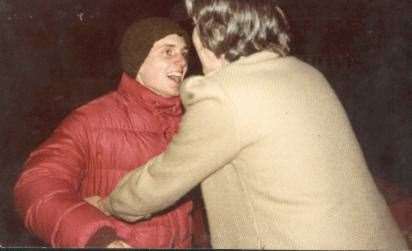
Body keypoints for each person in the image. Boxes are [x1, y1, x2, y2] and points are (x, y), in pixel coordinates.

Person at [86, 1, 407, 250]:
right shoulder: (305, 74)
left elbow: (161, 180)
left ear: (211, 33)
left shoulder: (226, 94)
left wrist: (107, 203)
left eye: (195, 26)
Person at [14, 17, 195, 248]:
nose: (182, 62)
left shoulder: (190, 123)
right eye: (168, 52)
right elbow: (35, 186)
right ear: (138, 61)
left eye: (184, 52)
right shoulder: (93, 119)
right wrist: (98, 238)